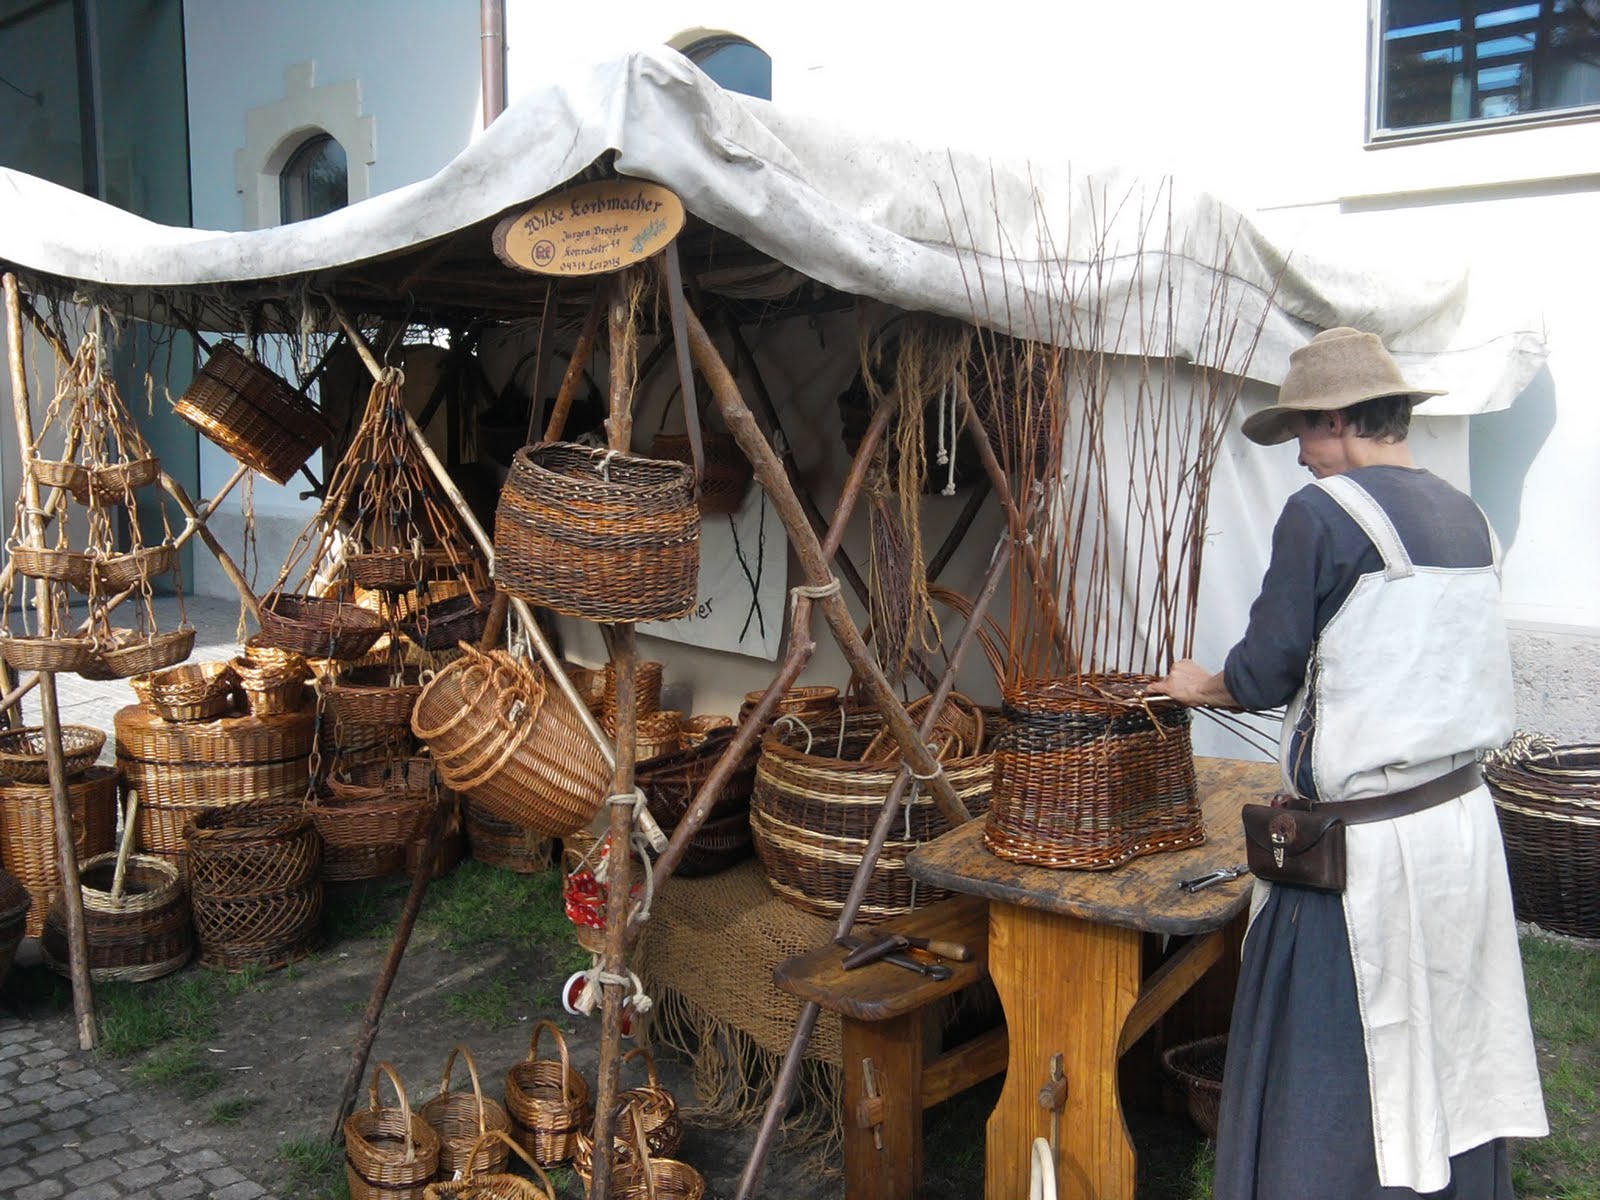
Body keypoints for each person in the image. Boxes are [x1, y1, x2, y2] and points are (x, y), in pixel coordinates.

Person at [1153, 327, 1547, 1199]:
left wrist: (1196, 685)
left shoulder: (1322, 513)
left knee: (1338, 1047)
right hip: (1458, 829)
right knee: (1448, 1032)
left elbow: (1262, 672)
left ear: (1337, 418)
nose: (1298, 455)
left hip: (1359, 859)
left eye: (1303, 430)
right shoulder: (1469, 515)